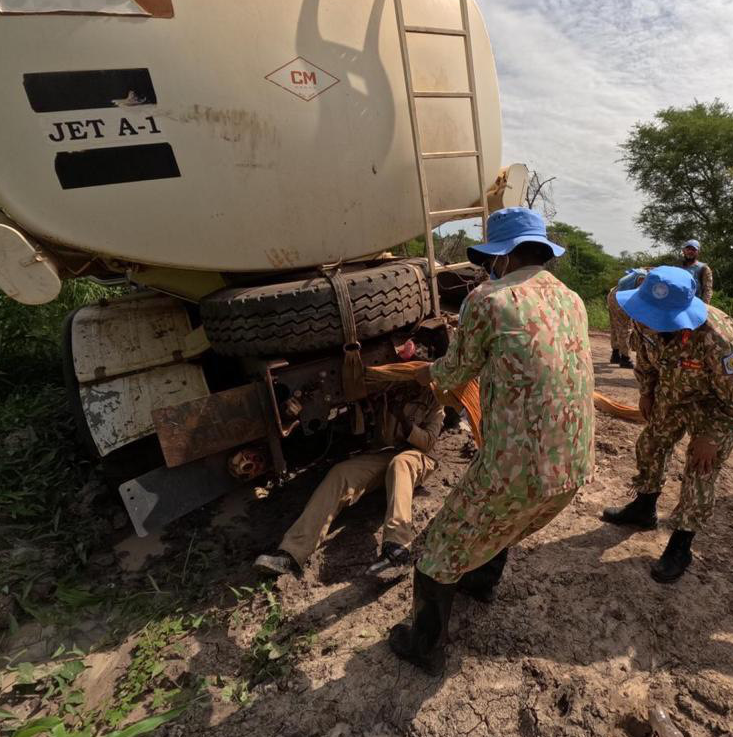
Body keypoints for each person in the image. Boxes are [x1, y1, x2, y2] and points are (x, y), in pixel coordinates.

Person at [387, 207, 595, 674]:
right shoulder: (574, 300)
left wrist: (421, 373)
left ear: (501, 257)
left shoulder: (488, 299)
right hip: (573, 467)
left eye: (490, 260)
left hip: (519, 471)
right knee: (496, 521)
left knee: (438, 547)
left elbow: (454, 375)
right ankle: (481, 582)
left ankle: (425, 647)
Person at [601, 267, 733, 581]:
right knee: (650, 444)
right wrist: (647, 392)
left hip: (714, 407)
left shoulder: (719, 339)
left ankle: (681, 544)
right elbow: (645, 360)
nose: (645, 321)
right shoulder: (644, 322)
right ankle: (644, 508)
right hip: (671, 394)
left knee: (700, 469)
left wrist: (711, 436)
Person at [254, 383, 444, 576]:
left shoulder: (436, 400)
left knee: (400, 463)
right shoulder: (389, 389)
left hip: (418, 457)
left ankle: (397, 550)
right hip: (385, 453)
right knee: (341, 472)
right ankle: (292, 553)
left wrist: (401, 417)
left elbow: (427, 442)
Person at [607, 268, 647, 367]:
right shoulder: (643, 276)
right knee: (625, 328)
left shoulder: (638, 272)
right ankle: (625, 358)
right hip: (620, 298)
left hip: (613, 294)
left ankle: (615, 354)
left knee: (615, 326)